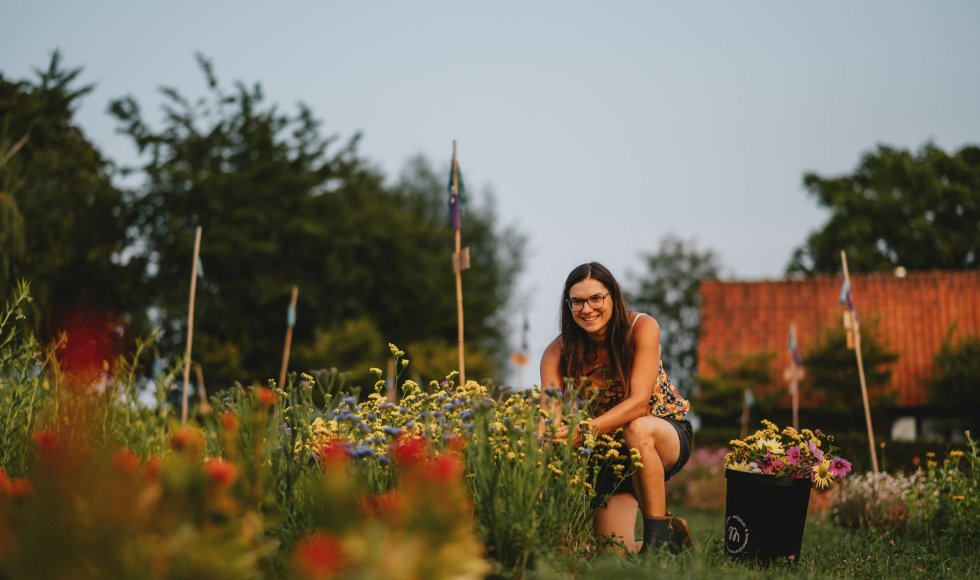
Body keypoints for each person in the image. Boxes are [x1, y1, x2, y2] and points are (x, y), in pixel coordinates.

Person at [539, 262, 694, 553]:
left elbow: (638, 404)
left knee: (638, 428)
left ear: (613, 297)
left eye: (596, 298)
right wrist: (541, 445)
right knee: (611, 551)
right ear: (568, 305)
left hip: (661, 431)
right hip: (608, 449)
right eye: (578, 301)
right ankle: (673, 541)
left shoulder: (641, 327)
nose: (587, 309)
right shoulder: (556, 353)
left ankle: (657, 542)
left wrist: (585, 431)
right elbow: (550, 413)